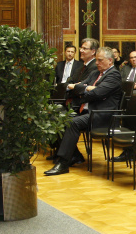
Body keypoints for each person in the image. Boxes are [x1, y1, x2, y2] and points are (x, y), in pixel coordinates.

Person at [44, 47, 123, 176]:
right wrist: (86, 88)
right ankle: (75, 155)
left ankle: (63, 163)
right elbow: (72, 89)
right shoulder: (95, 73)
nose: (97, 63)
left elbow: (97, 93)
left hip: (101, 115)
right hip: (85, 111)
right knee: (56, 119)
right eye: (96, 60)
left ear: (110, 61)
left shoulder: (114, 74)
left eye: (100, 60)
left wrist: (81, 89)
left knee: (73, 123)